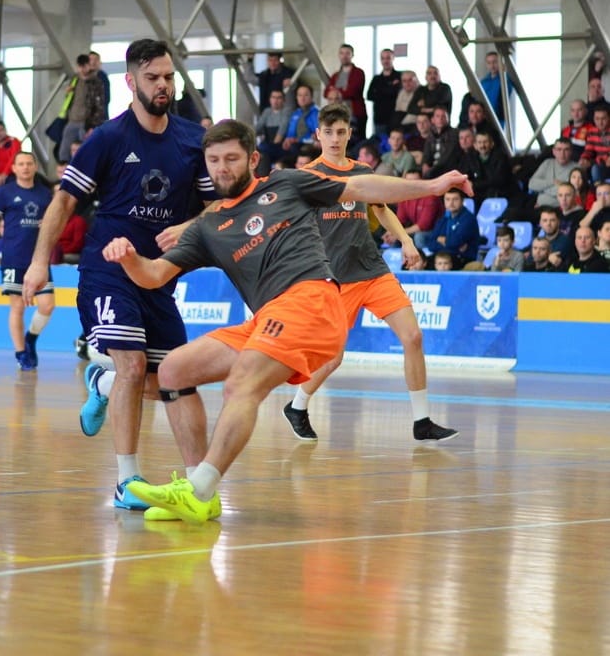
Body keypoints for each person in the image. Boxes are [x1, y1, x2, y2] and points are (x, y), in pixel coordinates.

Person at [102, 119, 470, 524]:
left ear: (252, 160)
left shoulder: (287, 184)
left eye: (231, 158)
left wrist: (433, 186)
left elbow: (361, 188)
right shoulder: (208, 226)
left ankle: (200, 488)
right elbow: (154, 275)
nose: (222, 168)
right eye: (214, 161)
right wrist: (129, 258)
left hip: (312, 301)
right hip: (268, 317)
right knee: (174, 370)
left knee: (241, 383)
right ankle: (199, 492)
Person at [21, 38, 213, 513]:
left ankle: (199, 486)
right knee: (132, 365)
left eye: (168, 77)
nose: (163, 85)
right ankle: (127, 480)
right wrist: (39, 262)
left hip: (159, 278)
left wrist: (188, 227)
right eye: (153, 78)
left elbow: (218, 208)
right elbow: (64, 201)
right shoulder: (107, 139)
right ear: (131, 82)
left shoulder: (193, 141)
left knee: (173, 380)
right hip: (107, 271)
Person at [282, 103, 457, 444]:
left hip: (372, 270)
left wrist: (406, 240)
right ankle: (297, 406)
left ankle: (422, 421)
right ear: (318, 135)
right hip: (334, 278)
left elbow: (382, 209)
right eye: (328, 132)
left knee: (413, 337)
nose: (335, 139)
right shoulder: (307, 177)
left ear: (350, 134)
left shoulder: (362, 171)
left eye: (341, 132)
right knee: (332, 358)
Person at [0, 152, 54, 370]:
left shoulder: (45, 193)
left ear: (35, 166)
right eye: (21, 164)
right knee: (17, 306)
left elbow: (53, 220)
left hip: (38, 259)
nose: (25, 167)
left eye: (29, 163)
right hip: (13, 257)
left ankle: (31, 338)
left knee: (47, 305)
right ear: (13, 168)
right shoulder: (5, 192)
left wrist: (46, 225)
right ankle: (21, 353)